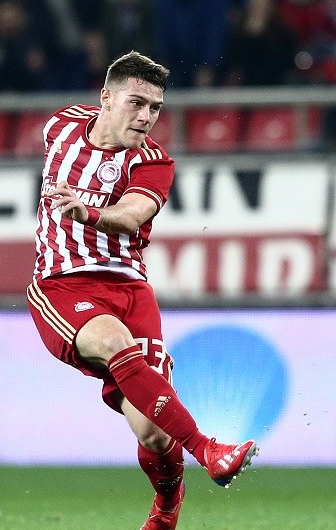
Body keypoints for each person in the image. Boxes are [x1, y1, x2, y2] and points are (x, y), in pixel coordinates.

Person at [25, 51, 257, 530]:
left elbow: (132, 215)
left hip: (131, 290)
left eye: (155, 108)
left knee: (154, 433)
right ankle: (208, 449)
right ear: (106, 98)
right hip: (63, 283)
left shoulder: (154, 162)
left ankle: (167, 505)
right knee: (113, 342)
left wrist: (88, 213)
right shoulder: (61, 126)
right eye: (137, 103)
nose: (147, 116)